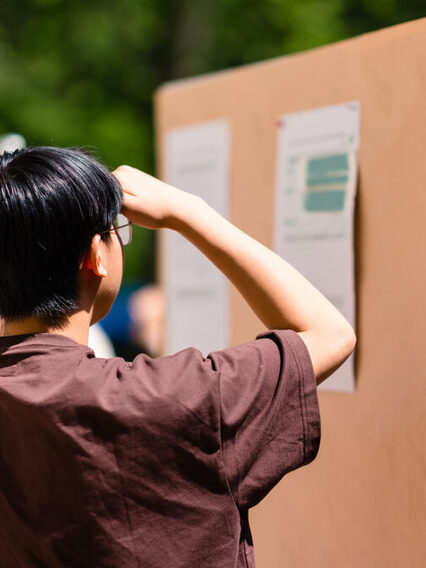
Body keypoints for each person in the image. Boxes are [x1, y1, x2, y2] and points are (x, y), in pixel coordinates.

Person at [0, 146, 356, 568]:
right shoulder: (174, 395)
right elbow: (330, 334)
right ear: (95, 257)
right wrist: (189, 213)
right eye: (117, 230)